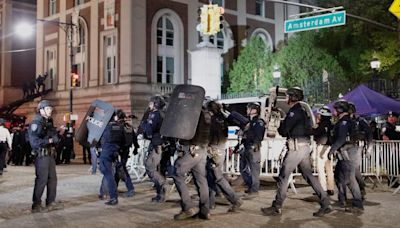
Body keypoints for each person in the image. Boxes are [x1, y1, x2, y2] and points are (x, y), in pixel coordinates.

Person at [261, 87, 331, 217]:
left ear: (293, 97)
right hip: (303, 147)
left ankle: (277, 206)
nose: (286, 98)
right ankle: (325, 203)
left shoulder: (294, 112)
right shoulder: (302, 111)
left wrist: (277, 121)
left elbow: (283, 131)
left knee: (283, 175)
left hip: (296, 148)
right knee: (308, 176)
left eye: (287, 96)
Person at [173, 109, 210, 220]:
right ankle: (205, 210)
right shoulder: (205, 113)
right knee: (201, 180)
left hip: (192, 149)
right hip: (201, 149)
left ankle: (188, 207)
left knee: (177, 172)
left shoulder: (193, 112)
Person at [206, 100, 243, 212]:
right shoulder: (222, 118)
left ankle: (235, 200)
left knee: (218, 178)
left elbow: (210, 136)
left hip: (214, 150)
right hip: (218, 149)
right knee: (210, 177)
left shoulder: (213, 120)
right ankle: (210, 203)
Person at [329, 100, 364, 214]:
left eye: (335, 109)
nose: (333, 111)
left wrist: (332, 149)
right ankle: (341, 200)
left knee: (350, 179)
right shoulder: (344, 121)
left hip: (347, 151)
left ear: (340, 110)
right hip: (344, 152)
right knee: (339, 177)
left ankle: (358, 204)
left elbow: (341, 138)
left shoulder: (344, 122)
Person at [28, 100, 63, 212]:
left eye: (50, 109)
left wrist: (58, 134)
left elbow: (52, 137)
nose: (50, 111)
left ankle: (50, 202)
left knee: (52, 179)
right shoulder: (36, 123)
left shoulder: (48, 122)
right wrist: (50, 140)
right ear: (41, 110)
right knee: (41, 179)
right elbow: (34, 142)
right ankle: (36, 204)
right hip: (41, 155)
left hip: (50, 154)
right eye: (48, 109)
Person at [139, 96, 167, 203]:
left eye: (151, 103)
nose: (149, 105)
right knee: (155, 168)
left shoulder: (154, 114)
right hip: (160, 144)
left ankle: (163, 186)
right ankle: (160, 194)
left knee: (149, 167)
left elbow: (149, 130)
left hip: (156, 144)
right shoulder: (162, 114)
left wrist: (144, 124)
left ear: (155, 104)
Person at [98, 110, 125, 205]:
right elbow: (123, 140)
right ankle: (108, 194)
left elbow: (97, 139)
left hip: (106, 151)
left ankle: (113, 197)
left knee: (107, 174)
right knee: (109, 173)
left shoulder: (105, 127)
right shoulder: (119, 127)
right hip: (115, 152)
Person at [239, 102, 265, 197]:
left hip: (253, 148)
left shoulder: (259, 122)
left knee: (254, 171)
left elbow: (258, 136)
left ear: (254, 110)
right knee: (243, 169)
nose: (247, 110)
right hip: (246, 147)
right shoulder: (249, 122)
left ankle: (254, 190)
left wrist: (254, 144)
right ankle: (250, 186)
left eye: (249, 108)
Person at [348, 102, 373, 200]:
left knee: (353, 168)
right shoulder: (346, 121)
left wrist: (369, 147)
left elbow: (369, 134)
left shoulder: (360, 121)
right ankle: (359, 188)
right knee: (350, 169)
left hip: (358, 146)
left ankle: (361, 188)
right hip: (348, 147)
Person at [312, 106, 335, 195]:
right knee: (329, 169)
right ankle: (331, 188)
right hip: (330, 148)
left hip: (322, 147)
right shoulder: (331, 125)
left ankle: (323, 189)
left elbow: (315, 133)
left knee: (321, 168)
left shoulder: (322, 125)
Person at [114, 109, 135, 198]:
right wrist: (136, 148)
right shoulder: (129, 126)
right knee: (118, 168)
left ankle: (130, 188)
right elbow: (134, 137)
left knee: (122, 169)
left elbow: (117, 139)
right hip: (127, 150)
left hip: (120, 151)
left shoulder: (118, 126)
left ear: (117, 117)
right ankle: (114, 187)